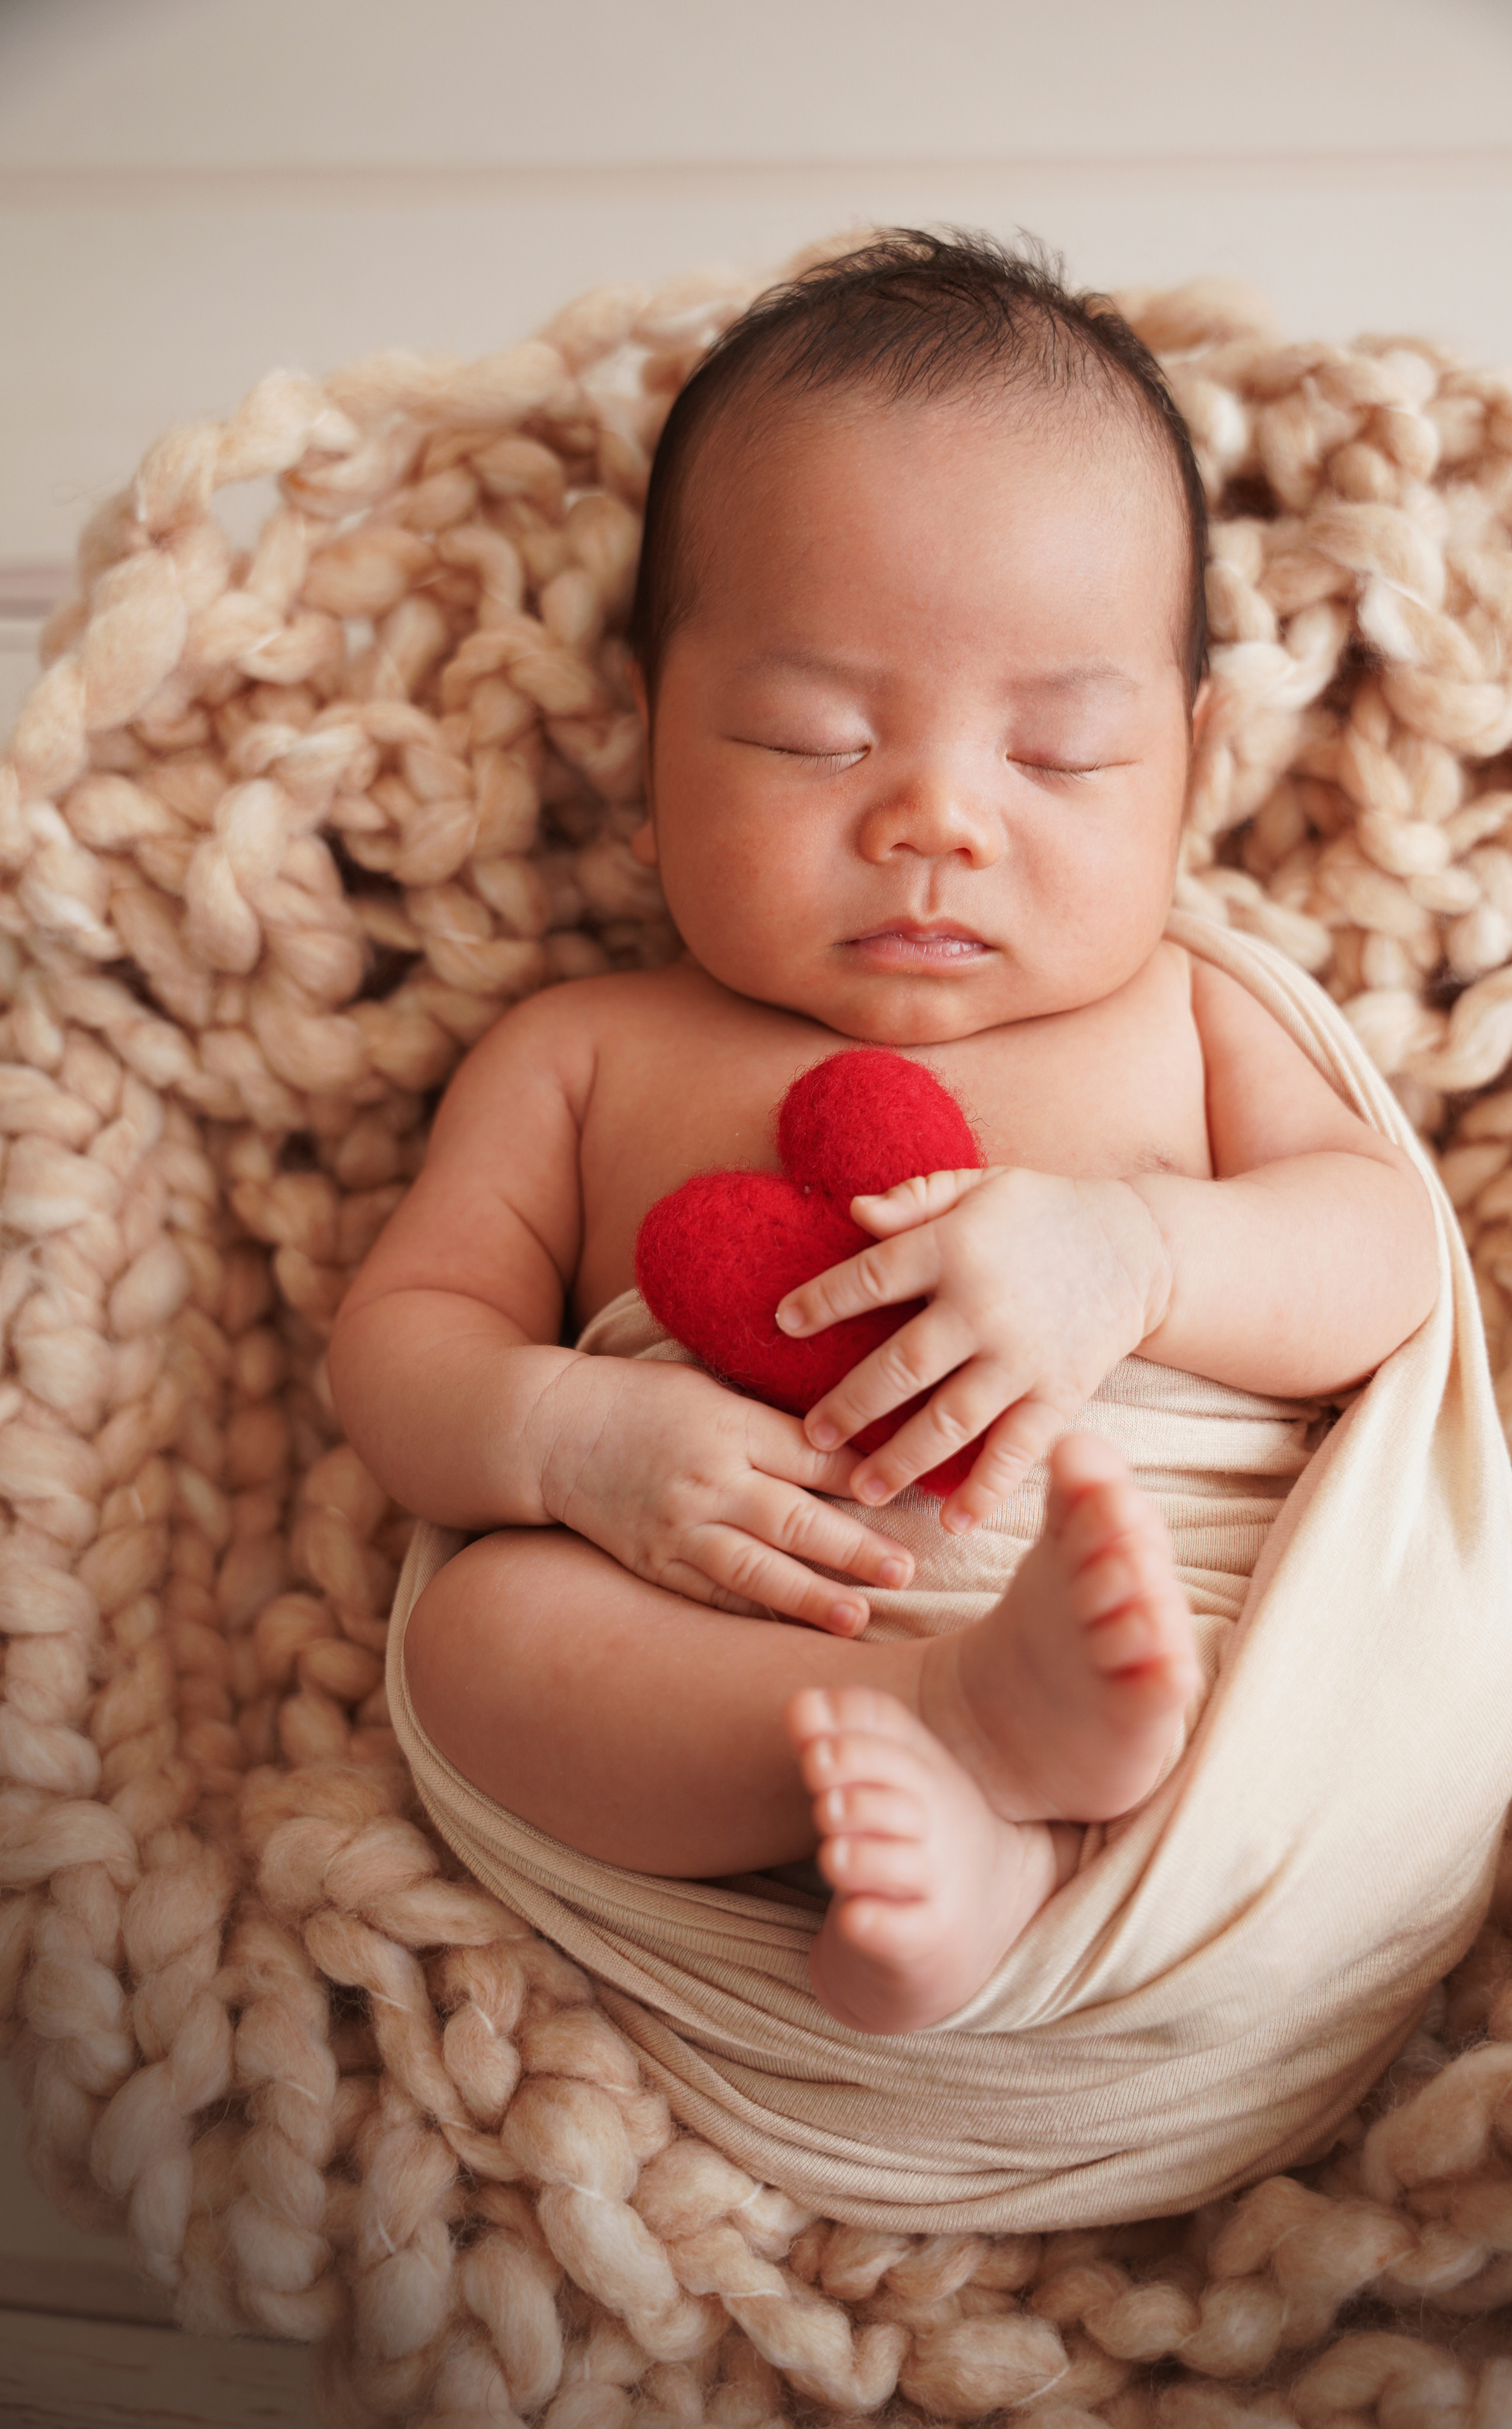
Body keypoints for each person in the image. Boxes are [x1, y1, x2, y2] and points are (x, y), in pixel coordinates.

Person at [328, 232, 1439, 2044]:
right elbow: (399, 1352)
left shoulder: (1189, 1009)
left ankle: (1023, 1788)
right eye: (810, 738)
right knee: (481, 1644)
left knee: (1268, 1663)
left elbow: (1386, 1256)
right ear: (645, 750)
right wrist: (571, 1432)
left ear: (1195, 760)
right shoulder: (581, 1052)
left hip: (1176, 1658)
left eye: (1063, 754)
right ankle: (943, 1741)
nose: (936, 819)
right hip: (757, 1679)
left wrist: (1141, 1256)